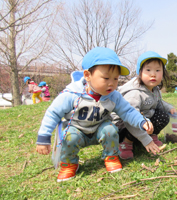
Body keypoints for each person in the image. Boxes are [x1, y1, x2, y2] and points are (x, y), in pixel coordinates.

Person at [36, 47, 154, 182]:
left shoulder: (113, 96)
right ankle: (69, 163)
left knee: (110, 129)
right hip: (77, 130)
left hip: (99, 129)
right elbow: (53, 113)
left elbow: (127, 111)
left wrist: (142, 121)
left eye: (115, 79)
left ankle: (111, 156)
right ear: (87, 76)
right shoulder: (71, 94)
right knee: (69, 137)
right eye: (106, 78)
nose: (112, 83)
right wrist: (43, 138)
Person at [114, 51, 176, 160]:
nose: (153, 74)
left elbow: (159, 103)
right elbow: (130, 118)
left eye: (158, 70)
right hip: (123, 126)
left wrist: (169, 108)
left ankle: (150, 136)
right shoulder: (134, 93)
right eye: (148, 70)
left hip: (142, 121)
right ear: (140, 72)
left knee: (163, 116)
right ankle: (126, 144)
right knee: (134, 121)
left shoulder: (155, 90)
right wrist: (145, 138)